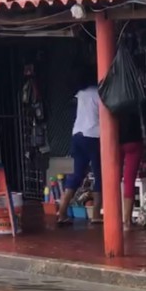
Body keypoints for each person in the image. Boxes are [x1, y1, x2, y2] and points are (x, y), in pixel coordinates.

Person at [57, 70, 102, 225]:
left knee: (75, 175)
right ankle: (96, 214)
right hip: (94, 136)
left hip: (77, 135)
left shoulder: (80, 93)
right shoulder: (99, 93)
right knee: (99, 175)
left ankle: (61, 212)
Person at [119, 110, 144, 230]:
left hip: (115, 139)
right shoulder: (137, 93)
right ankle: (127, 221)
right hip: (133, 138)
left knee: (113, 178)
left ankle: (114, 216)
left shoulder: (108, 93)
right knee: (129, 179)